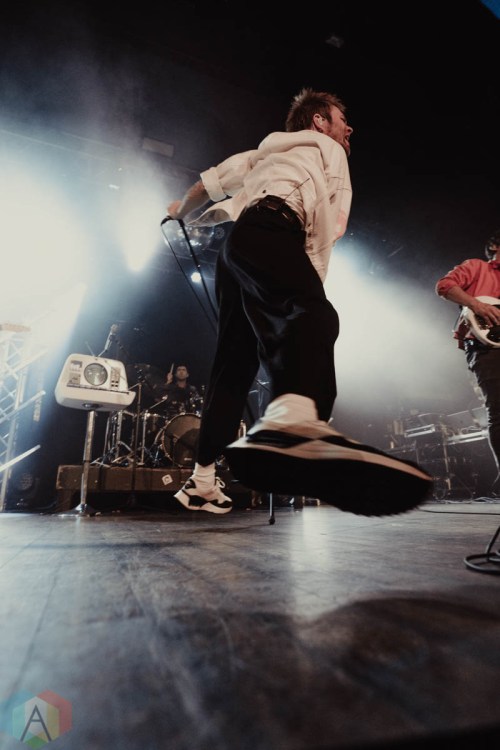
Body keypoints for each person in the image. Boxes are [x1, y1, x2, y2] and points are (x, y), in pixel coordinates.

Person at [166, 87, 432, 515]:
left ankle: (201, 480)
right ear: (319, 122)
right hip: (273, 228)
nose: (349, 129)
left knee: (233, 366)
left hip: (236, 248)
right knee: (315, 315)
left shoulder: (261, 153)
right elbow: (335, 226)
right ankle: (293, 425)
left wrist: (179, 210)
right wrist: (307, 284)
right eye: (342, 120)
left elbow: (204, 186)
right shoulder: (330, 149)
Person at [435, 229, 500, 496]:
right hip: (485, 348)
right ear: (495, 245)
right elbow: (444, 286)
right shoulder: (477, 267)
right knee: (499, 409)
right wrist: (476, 305)